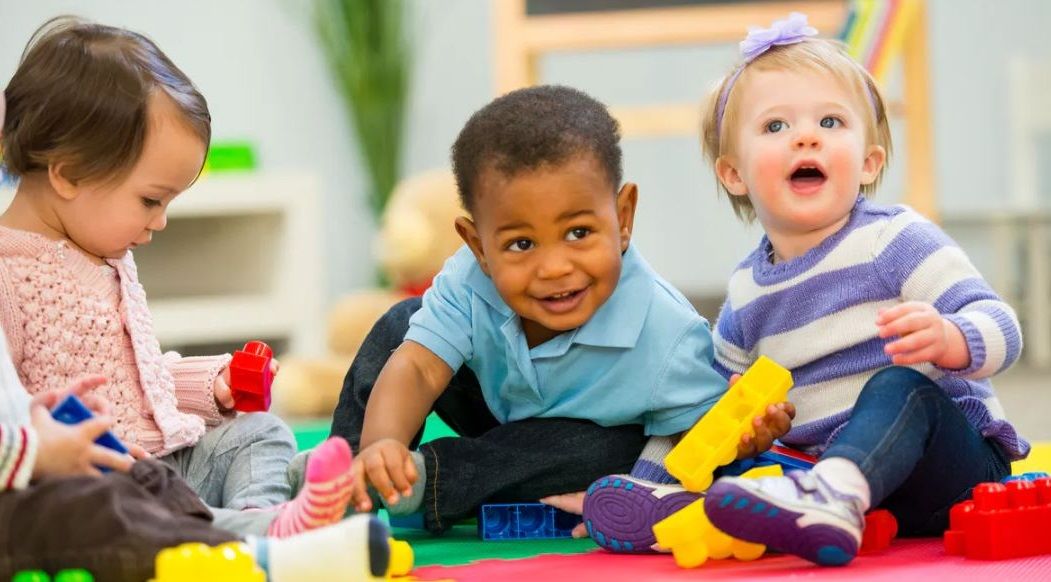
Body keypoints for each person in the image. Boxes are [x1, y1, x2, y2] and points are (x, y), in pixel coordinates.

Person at [331, 85, 752, 534]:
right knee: (402, 325)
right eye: (521, 244)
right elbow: (419, 369)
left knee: (607, 453)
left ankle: (424, 481)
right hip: (490, 404)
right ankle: (347, 477)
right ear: (479, 246)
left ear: (623, 217)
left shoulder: (667, 335)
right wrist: (382, 443)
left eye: (578, 233)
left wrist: (743, 439)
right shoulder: (469, 281)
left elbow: (700, 438)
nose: (554, 268)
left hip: (558, 449)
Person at [0, 16, 352, 537]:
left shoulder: (106, 256)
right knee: (129, 509)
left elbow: (138, 383)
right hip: (105, 482)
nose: (160, 221)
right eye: (150, 200)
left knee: (260, 431)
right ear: (68, 173)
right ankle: (261, 527)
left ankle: (260, 516)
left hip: (169, 463)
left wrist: (213, 385)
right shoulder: (10, 277)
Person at [696, 13, 1026, 566]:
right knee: (739, 463)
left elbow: (1003, 328)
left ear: (869, 163)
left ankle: (833, 494)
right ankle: (813, 504)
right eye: (775, 126)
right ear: (734, 174)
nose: (806, 136)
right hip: (843, 483)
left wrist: (951, 338)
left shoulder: (893, 240)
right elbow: (710, 406)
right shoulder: (746, 294)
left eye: (830, 122)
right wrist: (746, 431)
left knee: (900, 386)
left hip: (953, 474)